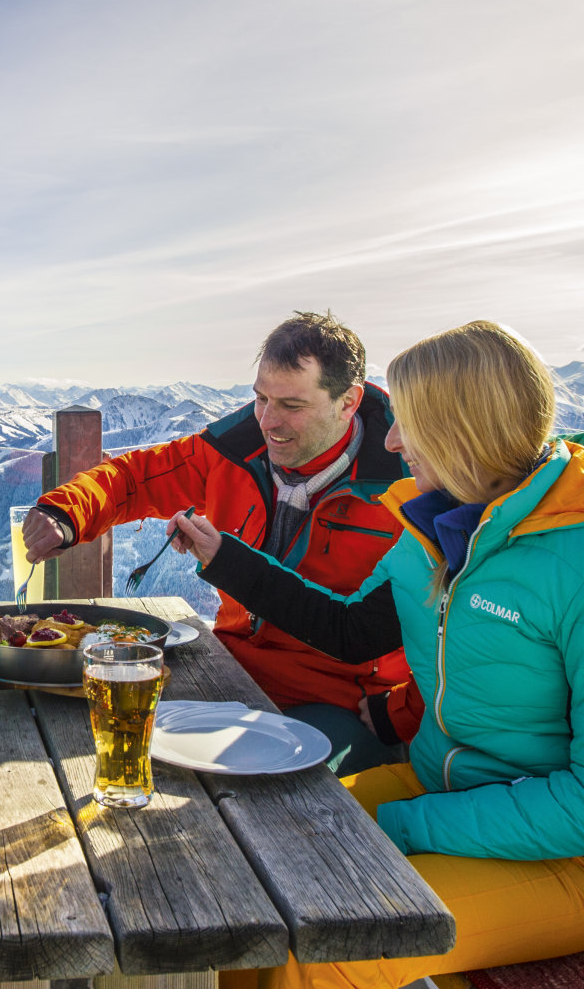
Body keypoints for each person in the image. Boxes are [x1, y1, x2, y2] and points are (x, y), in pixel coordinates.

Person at [168, 321, 584, 988]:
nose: (389, 440)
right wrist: (225, 557)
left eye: (406, 421)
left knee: (321, 943)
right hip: (439, 786)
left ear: (460, 427)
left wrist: (412, 821)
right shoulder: (437, 530)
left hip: (571, 861)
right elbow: (349, 628)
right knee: (243, 855)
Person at [23, 311, 414, 775]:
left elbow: (456, 627)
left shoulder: (407, 484)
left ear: (348, 402)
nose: (269, 422)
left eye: (292, 405)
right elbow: (135, 478)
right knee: (84, 730)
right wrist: (65, 513)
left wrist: (404, 712)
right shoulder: (234, 448)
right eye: (260, 399)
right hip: (232, 672)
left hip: (341, 702)